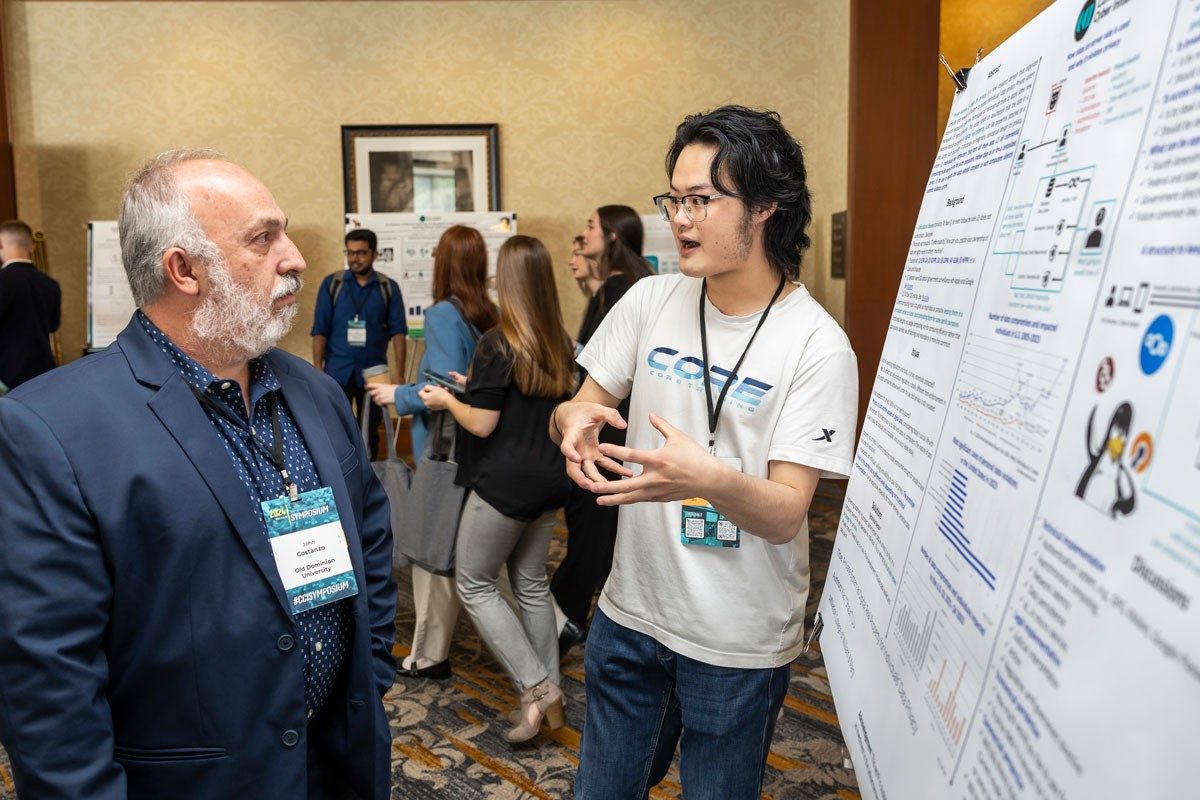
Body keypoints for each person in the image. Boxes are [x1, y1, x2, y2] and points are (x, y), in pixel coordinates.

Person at [0, 150, 398, 799]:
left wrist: (368, 671)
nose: (295, 256)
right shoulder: (49, 430)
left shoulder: (315, 392)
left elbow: (371, 534)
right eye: (263, 239)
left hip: (336, 764)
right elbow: (48, 690)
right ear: (182, 269)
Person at [550, 106, 859, 799]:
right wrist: (573, 423)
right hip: (630, 617)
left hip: (737, 642)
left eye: (701, 201)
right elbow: (577, 403)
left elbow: (785, 515)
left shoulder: (816, 346)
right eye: (674, 200)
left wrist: (708, 478)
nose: (679, 220)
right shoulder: (650, 301)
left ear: (765, 208)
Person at [421, 235, 574, 743]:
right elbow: (522, 403)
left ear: (508, 281)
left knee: (475, 583)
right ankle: (551, 698)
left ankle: (536, 688)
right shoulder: (558, 342)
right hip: (549, 481)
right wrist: (476, 386)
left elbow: (483, 425)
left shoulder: (499, 341)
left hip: (504, 485)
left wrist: (447, 400)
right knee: (530, 582)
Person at [366, 224, 498, 680]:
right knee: (464, 550)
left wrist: (395, 396)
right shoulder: (487, 313)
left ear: (441, 264)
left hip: (442, 449)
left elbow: (439, 386)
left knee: (430, 551)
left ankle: (428, 655)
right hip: (477, 444)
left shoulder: (443, 313)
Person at [551, 214, 651, 656]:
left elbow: (607, 372)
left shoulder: (619, 288)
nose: (583, 233)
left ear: (611, 235)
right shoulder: (624, 284)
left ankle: (569, 617)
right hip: (614, 426)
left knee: (592, 524)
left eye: (590, 225)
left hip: (608, 429)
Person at [311, 228, 407, 458]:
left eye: (361, 253)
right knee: (336, 427)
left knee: (371, 428)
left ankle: (370, 476)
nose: (355, 258)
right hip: (337, 370)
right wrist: (317, 369)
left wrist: (399, 375)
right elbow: (319, 329)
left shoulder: (387, 287)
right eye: (351, 252)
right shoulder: (332, 284)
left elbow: (399, 333)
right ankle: (344, 478)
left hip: (374, 372)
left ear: (375, 254)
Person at [0, 219, 61, 389]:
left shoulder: (2, 281)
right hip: (44, 372)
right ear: (31, 246)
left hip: (7, 376)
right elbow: (53, 326)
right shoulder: (50, 284)